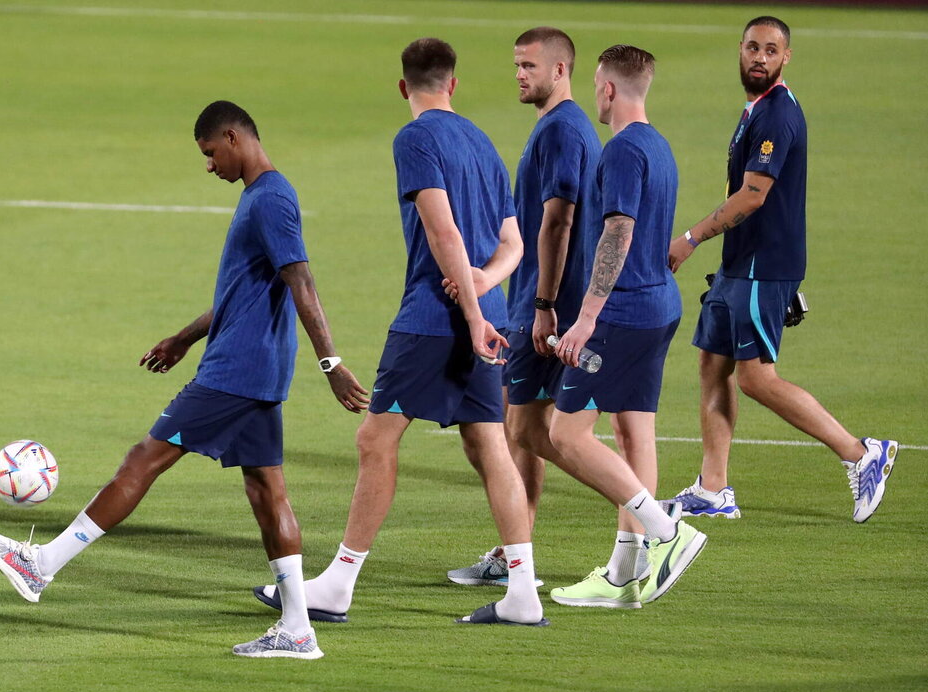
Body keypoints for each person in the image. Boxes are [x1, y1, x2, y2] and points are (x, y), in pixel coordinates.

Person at [0, 100, 369, 660]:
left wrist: (331, 364)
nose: (209, 166)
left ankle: (41, 565)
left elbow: (301, 282)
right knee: (267, 491)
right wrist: (186, 337)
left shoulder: (273, 198)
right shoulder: (260, 196)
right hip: (255, 369)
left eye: (211, 154)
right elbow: (242, 293)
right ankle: (297, 629)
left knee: (144, 458)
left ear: (234, 138)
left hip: (236, 371)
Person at [255, 37, 546, 626]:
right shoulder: (485, 143)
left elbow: (443, 234)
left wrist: (468, 311)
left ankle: (337, 584)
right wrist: (485, 290)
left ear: (402, 86)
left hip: (433, 320)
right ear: (454, 85)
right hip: (483, 313)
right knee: (489, 445)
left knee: (375, 440)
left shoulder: (414, 138)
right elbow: (515, 245)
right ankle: (524, 593)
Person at [664, 16, 898, 523]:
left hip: (762, 266)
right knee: (712, 363)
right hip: (741, 263)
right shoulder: (758, 110)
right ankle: (713, 488)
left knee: (756, 379)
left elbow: (753, 194)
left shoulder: (776, 116)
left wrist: (690, 238)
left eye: (771, 50)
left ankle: (861, 454)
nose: (760, 58)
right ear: (740, 50)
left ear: (786, 57)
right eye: (752, 48)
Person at [444, 27, 611, 587]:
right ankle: (518, 554)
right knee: (524, 427)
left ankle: (645, 514)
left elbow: (558, 220)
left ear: (560, 70)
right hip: (542, 301)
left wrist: (542, 305)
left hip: (547, 307)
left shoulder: (562, 131)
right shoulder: (559, 127)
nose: (519, 75)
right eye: (516, 65)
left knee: (527, 432)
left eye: (529, 67)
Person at [546, 45, 705, 608]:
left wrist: (586, 318)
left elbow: (619, 233)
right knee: (635, 430)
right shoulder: (659, 147)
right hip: (660, 305)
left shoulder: (620, 151)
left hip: (622, 312)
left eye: (596, 85)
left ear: (608, 89)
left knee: (565, 435)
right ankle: (623, 574)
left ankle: (667, 533)